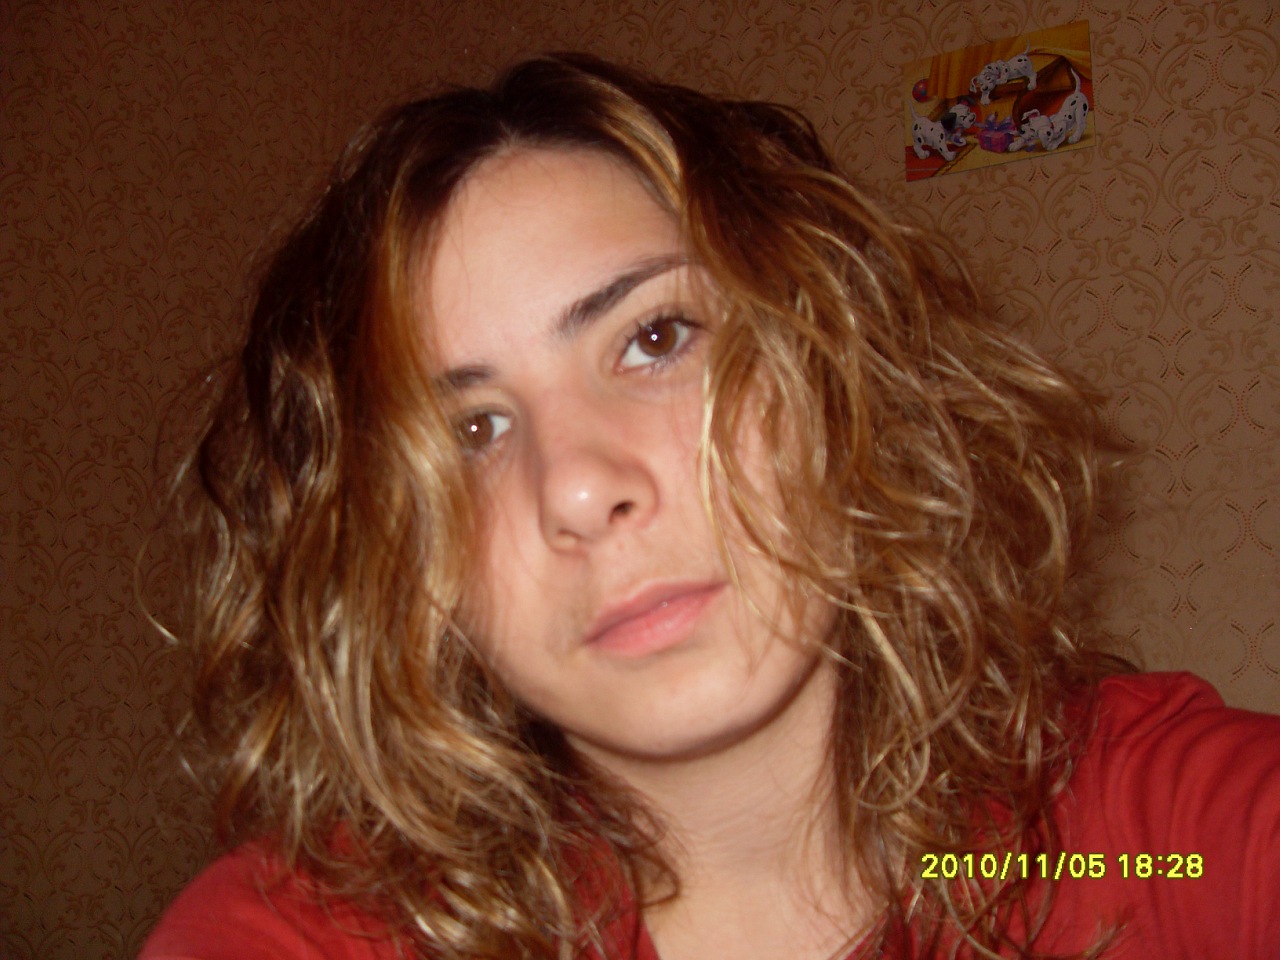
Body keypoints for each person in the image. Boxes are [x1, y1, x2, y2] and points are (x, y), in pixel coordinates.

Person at [140, 53, 1280, 960]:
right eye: (469, 432)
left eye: (654, 337)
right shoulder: (319, 932)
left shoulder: (1136, 838)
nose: (577, 486)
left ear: (832, 373)